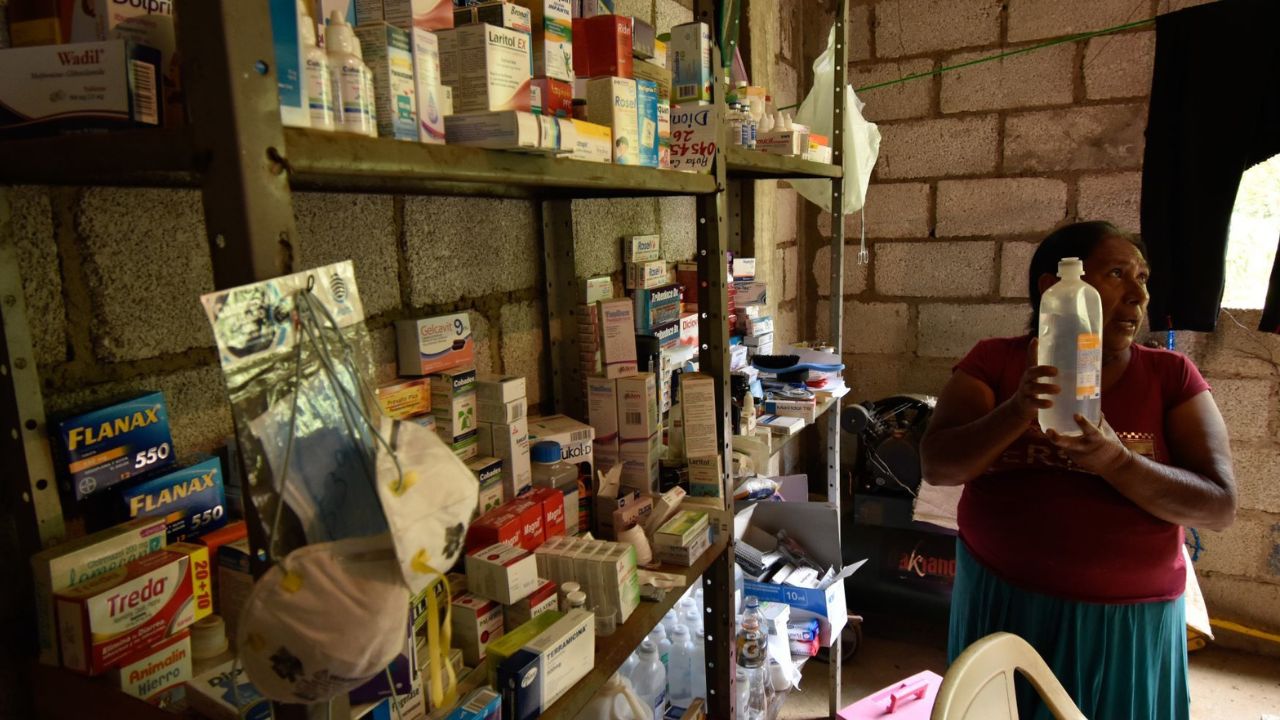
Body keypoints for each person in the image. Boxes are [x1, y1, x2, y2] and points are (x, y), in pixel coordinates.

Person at [920, 221, 1237, 720]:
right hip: (1003, 604)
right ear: (1055, 289)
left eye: (1143, 278)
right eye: (1117, 274)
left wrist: (1116, 460)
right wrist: (1019, 407)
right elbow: (938, 464)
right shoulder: (994, 362)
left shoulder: (1171, 376)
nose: (1138, 295)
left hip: (1128, 624)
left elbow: (1219, 506)